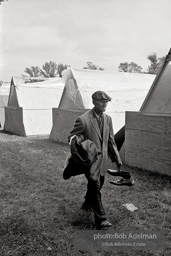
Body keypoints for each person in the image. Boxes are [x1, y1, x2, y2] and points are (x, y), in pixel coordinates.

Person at [68, 90, 122, 229]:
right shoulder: (83, 119)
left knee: (98, 184)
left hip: (102, 161)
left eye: (106, 102)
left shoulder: (108, 119)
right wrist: (84, 146)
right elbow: (72, 138)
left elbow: (111, 141)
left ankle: (87, 202)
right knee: (95, 185)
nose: (105, 104)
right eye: (102, 101)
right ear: (94, 102)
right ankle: (101, 219)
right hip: (90, 162)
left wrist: (117, 159)